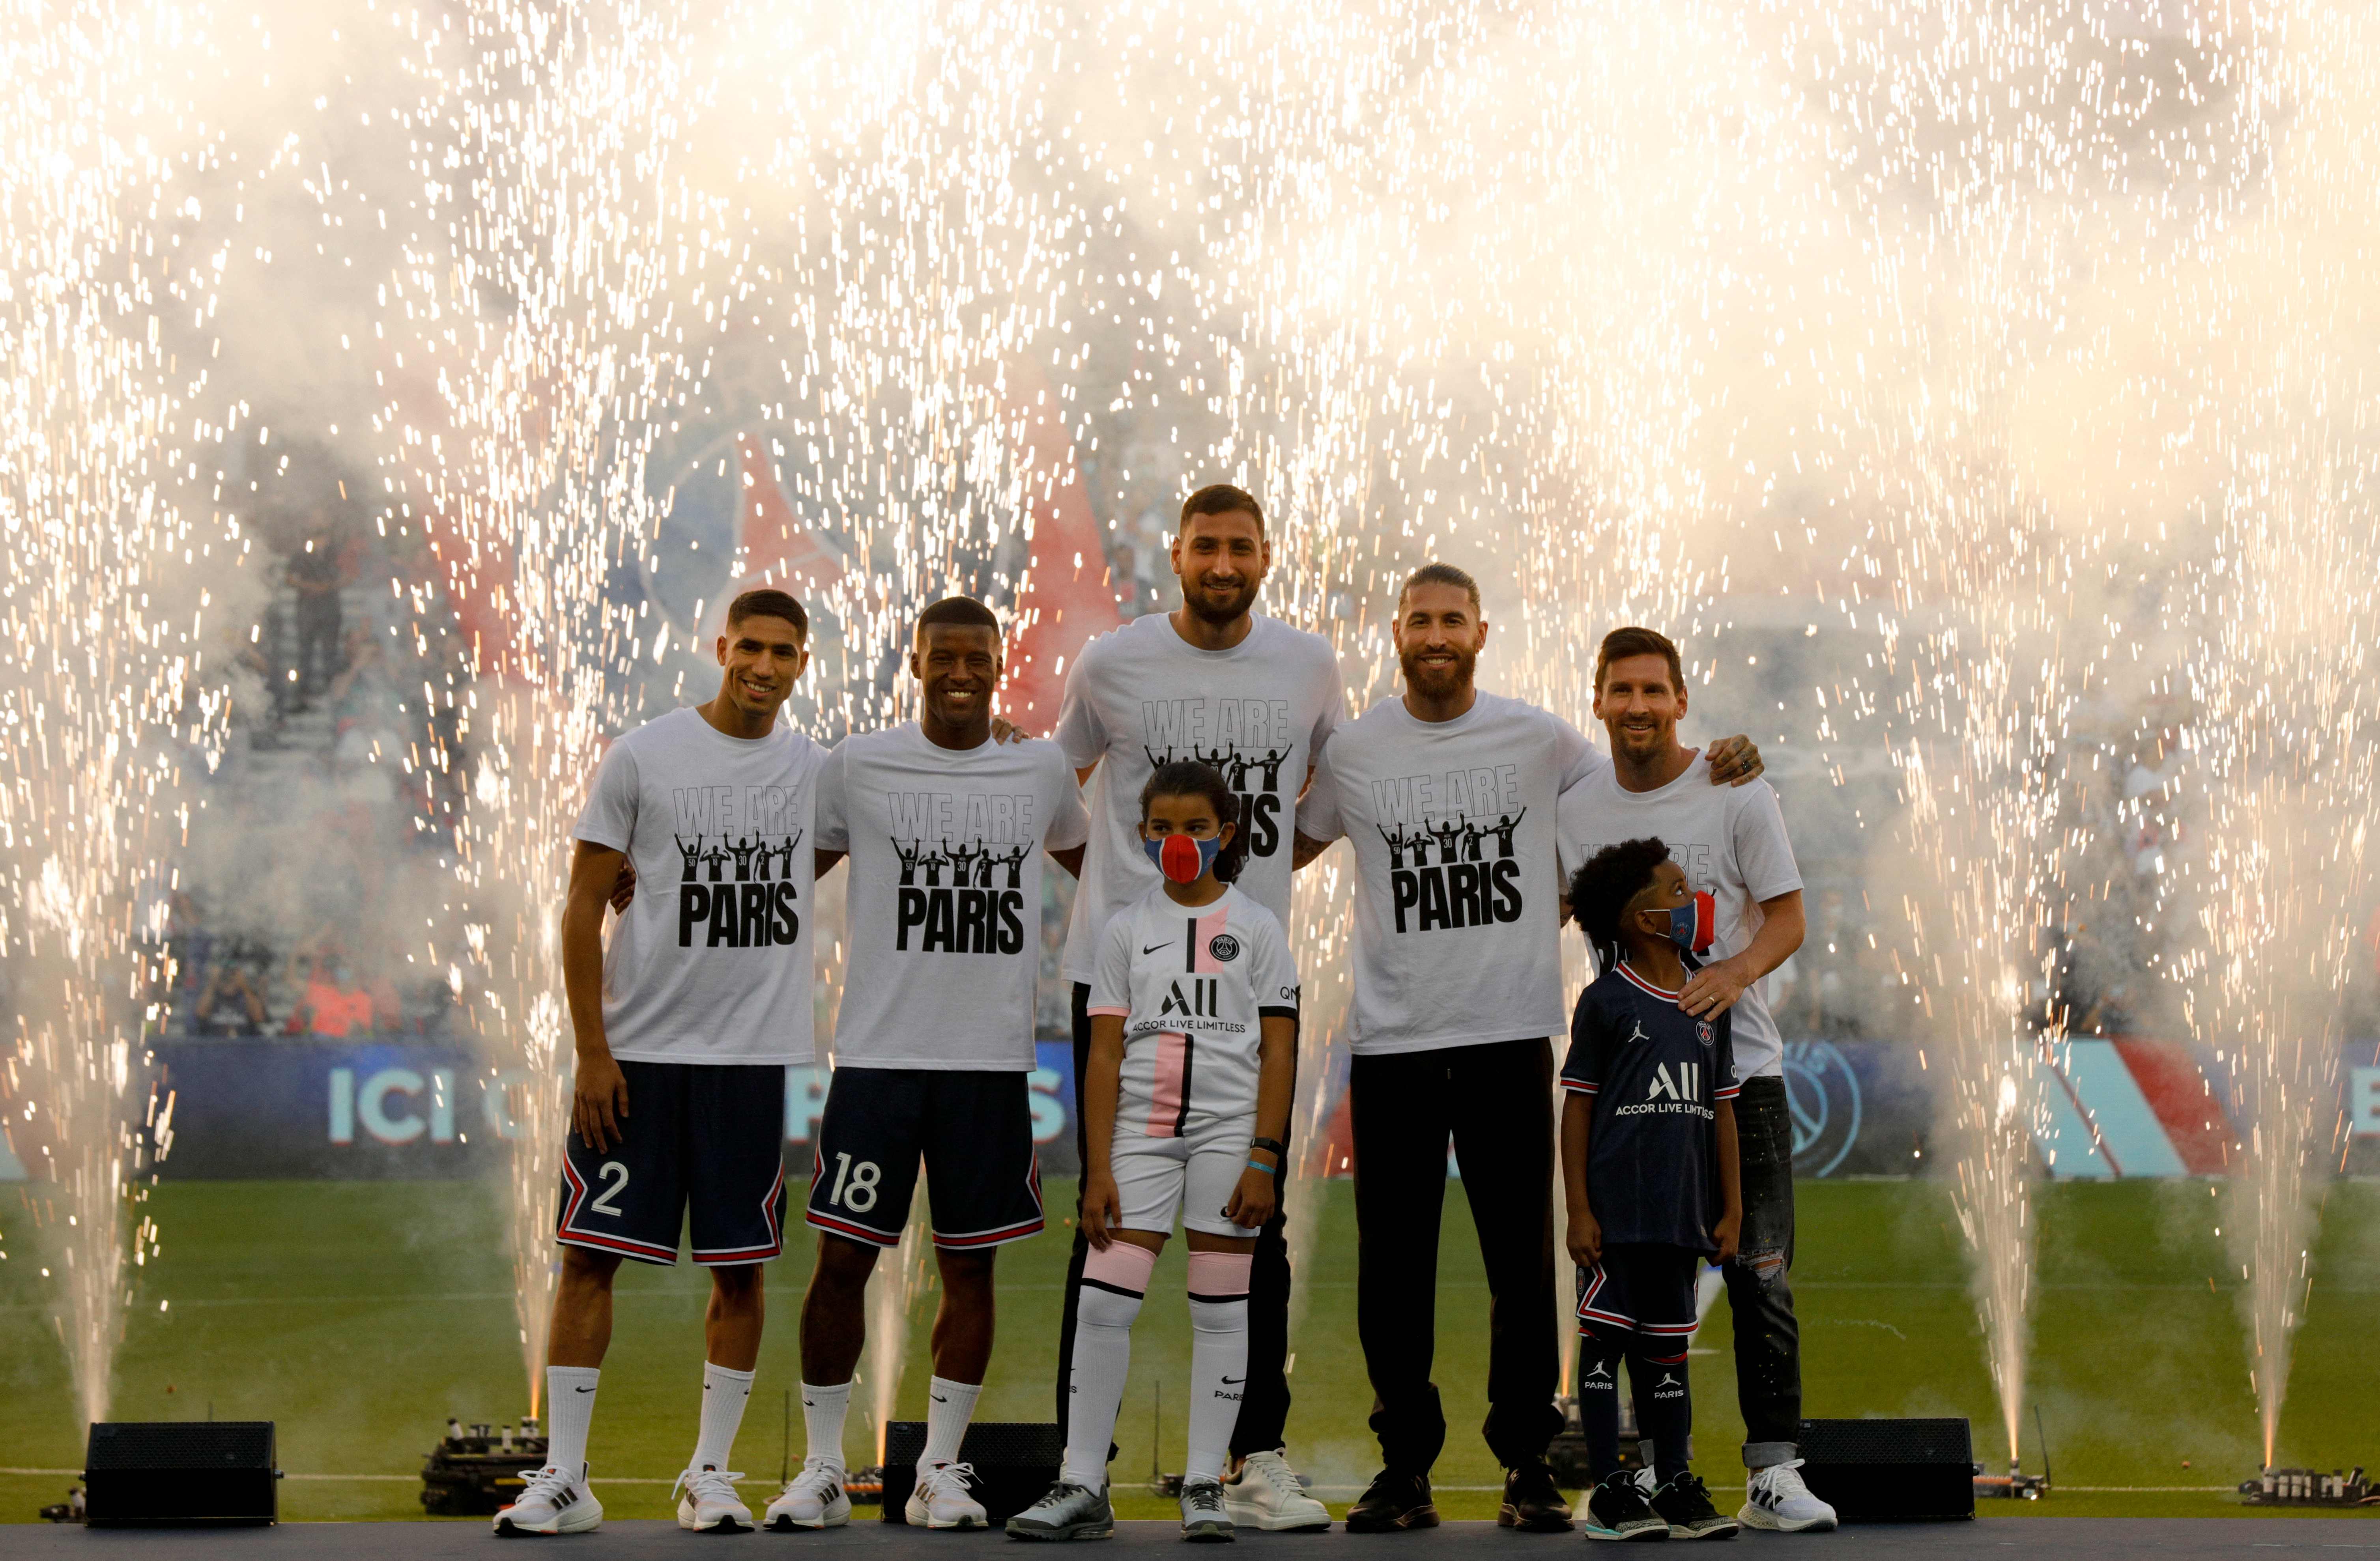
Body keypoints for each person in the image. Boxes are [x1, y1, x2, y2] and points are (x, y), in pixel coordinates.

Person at [1291, 566, 1764, 1534]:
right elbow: (1280, 843)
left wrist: (1725, 757)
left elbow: (1642, 789)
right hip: (1394, 1041)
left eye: (1451, 619)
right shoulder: (1355, 749)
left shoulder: (1539, 737)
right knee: (1394, 1268)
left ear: (1479, 631)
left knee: (1522, 1263)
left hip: (1510, 1032)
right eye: (1419, 618)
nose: (1435, 633)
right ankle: (1404, 1466)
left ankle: (1526, 1463)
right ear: (1395, 632)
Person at [493, 588, 826, 1538]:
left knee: (740, 1269)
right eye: (750, 646)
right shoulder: (644, 754)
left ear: (803, 664)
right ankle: (564, 1473)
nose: (763, 666)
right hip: (636, 1055)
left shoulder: (817, 769)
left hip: (751, 1060)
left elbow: (841, 845)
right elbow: (579, 905)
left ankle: (710, 1473)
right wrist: (591, 1050)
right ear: (721, 645)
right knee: (588, 1258)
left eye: (784, 653)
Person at [1048, 483, 1343, 1532]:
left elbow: (1330, 796)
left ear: (1269, 557)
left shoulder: (1309, 662)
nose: (1222, 562)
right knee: (1106, 1222)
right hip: (1122, 973)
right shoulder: (1113, 661)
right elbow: (1056, 779)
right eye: (1205, 545)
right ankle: (1080, 1467)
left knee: (1254, 1222)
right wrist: (1116, 886)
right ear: (1174, 553)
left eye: (1240, 547)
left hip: (1245, 979)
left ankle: (1253, 1457)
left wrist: (1246, 887)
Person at [767, 597, 1090, 1533]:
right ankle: (824, 1464)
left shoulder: (1038, 767)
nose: (960, 672)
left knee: (970, 1268)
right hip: (875, 1058)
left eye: (976, 657)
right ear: (913, 661)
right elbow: (790, 869)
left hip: (989, 1067)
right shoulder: (857, 763)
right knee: (841, 1261)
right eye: (941, 656)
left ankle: (940, 1468)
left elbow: (1099, 866)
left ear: (999, 663)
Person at [1555, 625, 1833, 1534]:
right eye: (1620, 689)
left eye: (1653, 690)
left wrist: (1732, 974)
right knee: (1627, 1274)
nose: (1637, 705)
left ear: (1679, 699)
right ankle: (1637, 1473)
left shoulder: (1733, 786)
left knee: (1757, 1268)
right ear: (1596, 699)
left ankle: (1773, 1469)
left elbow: (1787, 916)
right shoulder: (1575, 802)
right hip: (1631, 1090)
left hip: (1736, 1071)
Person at [1009, 762, 1299, 1543]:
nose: (1178, 841)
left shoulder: (1259, 926)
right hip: (1138, 1135)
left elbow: (1279, 1050)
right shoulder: (1124, 928)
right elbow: (1101, 1054)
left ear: (1226, 834)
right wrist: (1095, 1166)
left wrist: (1264, 1155)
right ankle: (1081, 1481)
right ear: (1141, 835)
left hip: (1227, 1135)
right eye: (1163, 827)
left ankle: (1205, 1479)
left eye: (1196, 827)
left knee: (1218, 1306)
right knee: (1103, 1300)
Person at [1561, 838, 1742, 1541]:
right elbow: (1577, 1106)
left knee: (1667, 1356)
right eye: (1677, 891)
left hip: (1682, 1215)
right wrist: (1578, 1208)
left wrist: (1729, 1208)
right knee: (1605, 1347)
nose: (1693, 901)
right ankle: (1610, 1490)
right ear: (1642, 919)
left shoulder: (1709, 998)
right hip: (1617, 1214)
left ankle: (1673, 1482)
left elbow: (1721, 1108)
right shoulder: (1606, 1001)